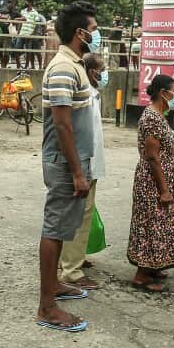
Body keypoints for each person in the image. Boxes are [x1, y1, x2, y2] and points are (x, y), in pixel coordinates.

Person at [36, 1, 98, 332]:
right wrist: (76, 171)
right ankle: (47, 307)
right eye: (95, 29)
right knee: (54, 228)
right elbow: (62, 126)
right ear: (80, 33)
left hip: (74, 161)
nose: (98, 34)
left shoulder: (75, 64)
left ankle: (55, 287)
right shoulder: (62, 68)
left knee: (62, 229)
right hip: (64, 163)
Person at [57, 52, 108, 291]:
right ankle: (71, 271)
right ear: (91, 71)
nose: (104, 74)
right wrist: (79, 171)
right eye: (102, 69)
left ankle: (72, 259)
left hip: (90, 163)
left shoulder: (93, 94)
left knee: (80, 216)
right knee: (78, 216)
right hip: (82, 164)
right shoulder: (83, 95)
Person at [128, 74, 174, 292]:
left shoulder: (160, 115)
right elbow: (152, 156)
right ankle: (142, 274)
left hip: (162, 177)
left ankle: (154, 266)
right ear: (163, 93)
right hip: (152, 182)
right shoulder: (151, 117)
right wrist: (164, 189)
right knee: (152, 224)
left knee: (162, 224)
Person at [20, 0, 46, 70]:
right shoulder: (27, 13)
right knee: (30, 51)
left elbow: (44, 26)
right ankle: (32, 66)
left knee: (37, 51)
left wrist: (42, 36)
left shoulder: (40, 16)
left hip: (36, 35)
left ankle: (40, 66)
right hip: (29, 34)